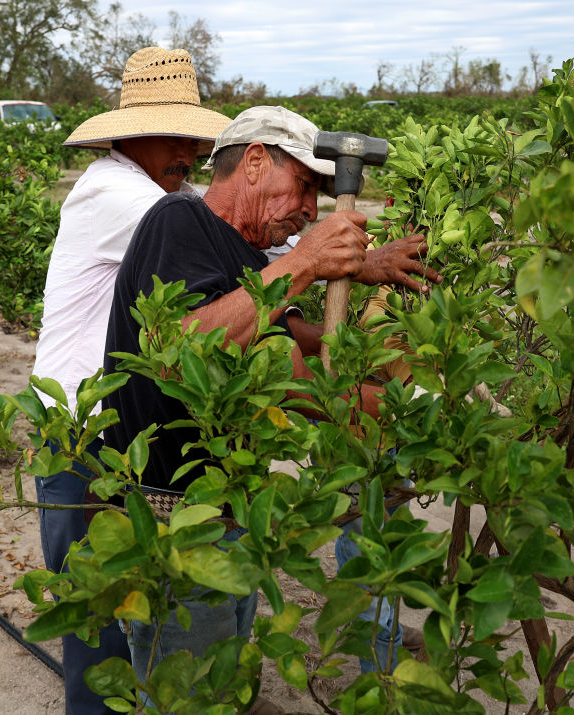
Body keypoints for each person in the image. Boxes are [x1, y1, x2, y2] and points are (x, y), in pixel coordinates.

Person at [101, 106, 440, 697]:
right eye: (305, 186)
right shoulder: (178, 218)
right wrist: (305, 260)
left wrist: (390, 361)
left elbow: (294, 355)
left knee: (225, 679)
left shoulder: (244, 258)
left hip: (228, 519)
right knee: (187, 694)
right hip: (175, 527)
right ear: (255, 161)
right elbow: (185, 347)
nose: (309, 209)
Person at [29, 46, 231, 715]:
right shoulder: (119, 195)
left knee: (133, 600)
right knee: (96, 612)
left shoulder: (165, 194)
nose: (189, 152)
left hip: (116, 434)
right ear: (130, 134)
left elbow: (224, 221)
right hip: (78, 433)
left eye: (193, 139)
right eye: (174, 135)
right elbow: (230, 234)